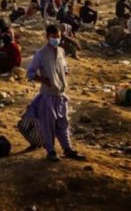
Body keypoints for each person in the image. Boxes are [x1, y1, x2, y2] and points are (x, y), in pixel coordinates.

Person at [26, 25, 85, 162]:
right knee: (48, 124)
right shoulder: (40, 54)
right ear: (47, 37)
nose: (56, 39)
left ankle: (67, 149)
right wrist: (43, 79)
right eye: (53, 37)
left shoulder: (61, 51)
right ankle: (51, 151)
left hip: (61, 94)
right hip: (47, 95)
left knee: (63, 123)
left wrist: (64, 74)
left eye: (58, 37)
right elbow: (30, 73)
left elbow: (64, 67)